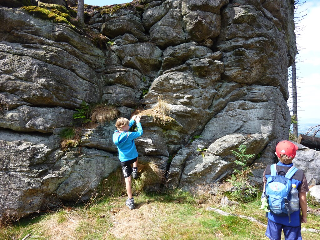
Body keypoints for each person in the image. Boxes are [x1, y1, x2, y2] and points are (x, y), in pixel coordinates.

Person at [263, 140, 309, 240]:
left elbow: (265, 192)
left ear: (276, 154)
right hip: (292, 218)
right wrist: (304, 216)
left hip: (273, 215)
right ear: (294, 155)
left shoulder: (269, 170)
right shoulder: (299, 174)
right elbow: (302, 199)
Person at [113, 115, 143, 210]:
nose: (129, 126)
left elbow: (126, 126)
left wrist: (132, 120)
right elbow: (140, 132)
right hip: (133, 156)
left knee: (128, 180)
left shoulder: (115, 135)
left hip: (124, 160)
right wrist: (137, 122)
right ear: (123, 127)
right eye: (127, 125)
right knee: (136, 156)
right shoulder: (129, 135)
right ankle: (135, 169)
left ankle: (130, 200)